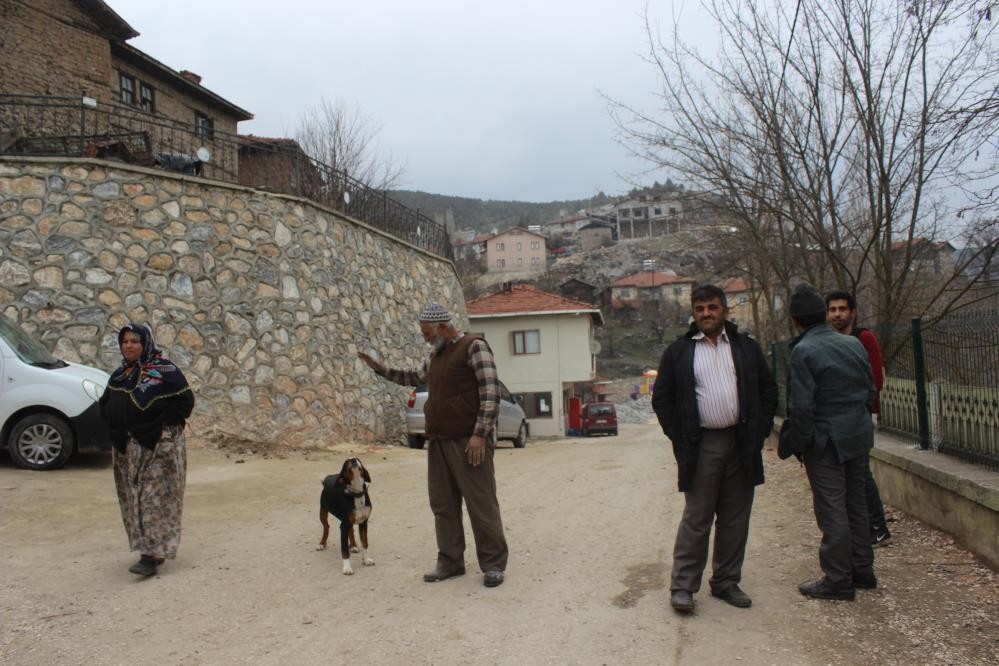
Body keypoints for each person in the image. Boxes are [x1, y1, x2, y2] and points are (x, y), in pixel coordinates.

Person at [358, 303, 509, 588]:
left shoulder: (474, 347)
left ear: (442, 327)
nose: (425, 337)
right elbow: (414, 378)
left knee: (481, 504)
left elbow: (491, 392)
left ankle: (493, 565)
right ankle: (450, 562)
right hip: (439, 441)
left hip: (469, 442)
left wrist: (479, 435)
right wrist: (381, 370)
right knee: (443, 505)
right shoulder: (437, 355)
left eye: (427, 332)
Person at [651, 284, 777, 613]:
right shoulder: (679, 352)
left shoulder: (746, 347)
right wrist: (679, 436)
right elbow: (661, 398)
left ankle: (726, 582)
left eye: (712, 307)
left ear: (724, 310)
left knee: (736, 517)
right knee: (697, 517)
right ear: (693, 314)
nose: (706, 313)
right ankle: (683, 587)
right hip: (701, 444)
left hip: (741, 443)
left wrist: (759, 431)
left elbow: (768, 389)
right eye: (700, 308)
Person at [786, 284, 877, 600]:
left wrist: (795, 443)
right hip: (857, 434)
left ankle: (838, 580)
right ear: (823, 314)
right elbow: (870, 390)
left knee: (832, 509)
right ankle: (862, 570)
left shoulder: (803, 351)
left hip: (826, 441)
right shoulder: (853, 344)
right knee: (856, 504)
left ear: (795, 319)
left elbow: (801, 408)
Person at [99, 323, 194, 577]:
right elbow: (105, 403)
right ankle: (154, 549)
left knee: (152, 499)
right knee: (133, 500)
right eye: (125, 341)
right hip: (126, 451)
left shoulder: (165, 371)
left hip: (158, 449)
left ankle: (149, 556)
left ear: (145, 344)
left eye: (134, 341)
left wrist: (162, 428)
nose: (129, 345)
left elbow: (185, 402)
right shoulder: (121, 374)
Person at [826, 290, 892, 547]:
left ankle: (878, 527)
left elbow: (875, 378)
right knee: (851, 474)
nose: (837, 314)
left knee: (861, 472)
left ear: (852, 312)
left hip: (860, 415)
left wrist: (863, 408)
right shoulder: (828, 339)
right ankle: (862, 524)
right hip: (838, 418)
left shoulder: (864, 338)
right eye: (832, 310)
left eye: (842, 309)